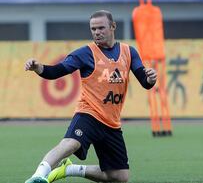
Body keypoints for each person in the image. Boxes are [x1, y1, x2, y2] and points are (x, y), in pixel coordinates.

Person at [24, 10, 157, 183]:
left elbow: (145, 82)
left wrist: (150, 78)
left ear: (113, 27)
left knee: (119, 177)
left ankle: (69, 169)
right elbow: (56, 71)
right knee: (70, 144)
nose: (97, 32)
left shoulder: (129, 52)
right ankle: (38, 176)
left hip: (112, 123)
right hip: (89, 114)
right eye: (93, 29)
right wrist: (39, 67)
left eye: (101, 28)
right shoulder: (85, 53)